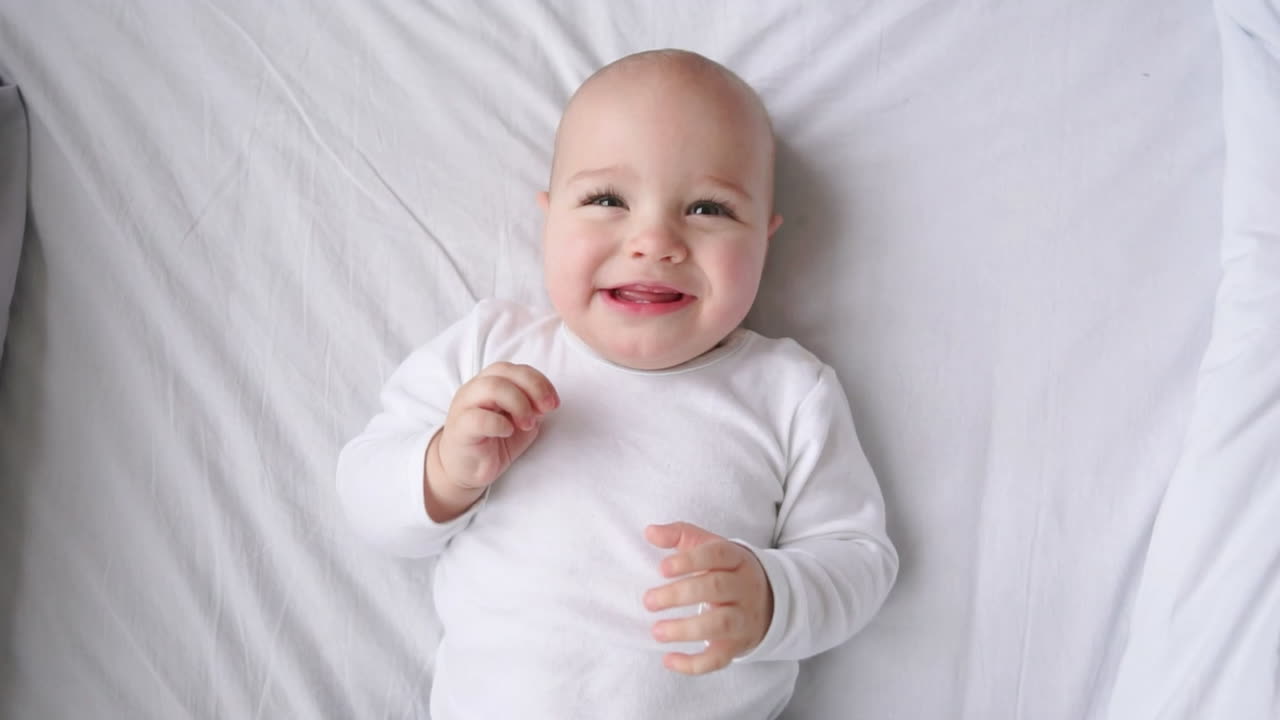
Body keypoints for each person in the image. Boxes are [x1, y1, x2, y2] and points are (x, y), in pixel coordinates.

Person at [336, 48, 898, 720]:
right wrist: (443, 470)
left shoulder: (787, 392)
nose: (654, 240)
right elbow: (364, 497)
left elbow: (858, 559)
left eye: (709, 208)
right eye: (607, 199)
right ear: (549, 218)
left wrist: (774, 597)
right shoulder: (492, 349)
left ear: (766, 239)